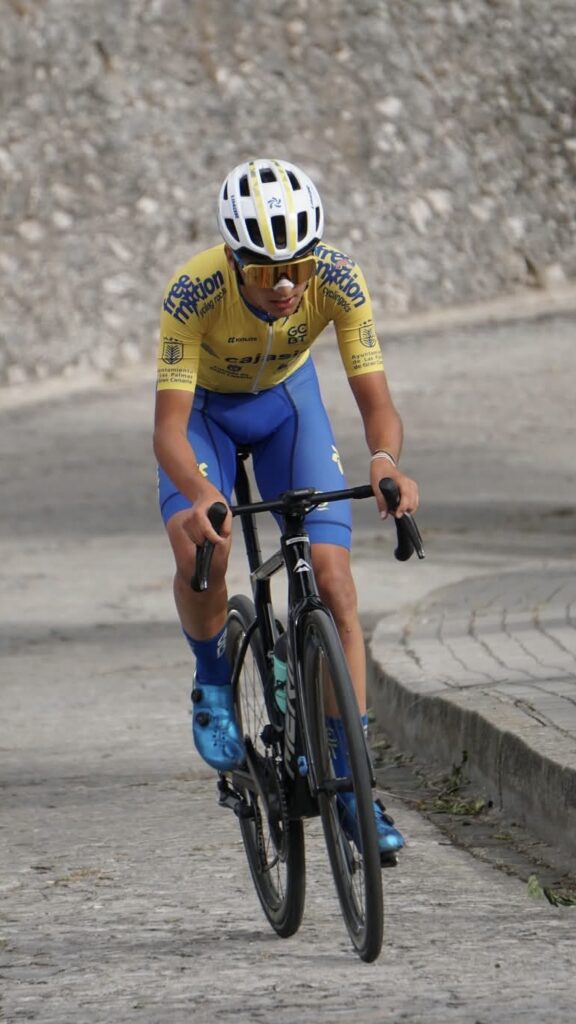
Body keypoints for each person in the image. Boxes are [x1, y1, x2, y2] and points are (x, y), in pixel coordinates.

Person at [153, 157, 419, 862]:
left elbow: (376, 400)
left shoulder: (338, 279)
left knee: (335, 584)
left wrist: (384, 460)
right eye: (266, 272)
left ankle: (352, 779)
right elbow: (168, 429)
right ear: (233, 259)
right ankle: (214, 680)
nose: (283, 286)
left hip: (285, 409)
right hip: (204, 419)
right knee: (203, 545)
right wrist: (202, 494)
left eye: (296, 268)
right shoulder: (193, 291)